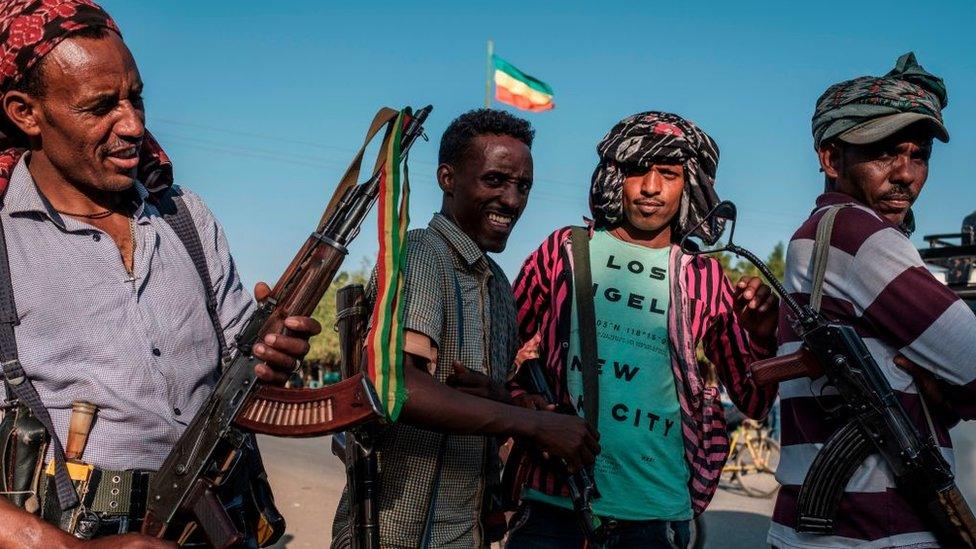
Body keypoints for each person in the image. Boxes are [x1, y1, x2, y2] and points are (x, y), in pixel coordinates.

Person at [0, 1, 321, 546]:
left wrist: (271, 356)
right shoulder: (7, 243)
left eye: (136, 97)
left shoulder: (185, 218)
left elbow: (244, 370)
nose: (133, 125)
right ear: (25, 112)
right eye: (101, 107)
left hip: (220, 520)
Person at [507, 111, 779, 548]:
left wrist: (763, 336)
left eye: (668, 174)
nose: (651, 188)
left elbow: (754, 399)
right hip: (552, 507)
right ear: (616, 178)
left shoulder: (704, 276)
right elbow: (497, 352)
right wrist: (529, 407)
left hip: (656, 515)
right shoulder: (563, 251)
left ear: (688, 185)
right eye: (638, 171)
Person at [331, 109, 600, 548]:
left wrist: (515, 404)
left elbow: (488, 399)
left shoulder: (498, 288)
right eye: (495, 181)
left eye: (523, 186)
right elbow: (398, 386)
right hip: (394, 534)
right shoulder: (421, 254)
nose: (512, 200)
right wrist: (531, 424)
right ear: (447, 178)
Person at [768, 52, 976, 548]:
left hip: (812, 528)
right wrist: (942, 385)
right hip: (874, 529)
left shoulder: (815, 237)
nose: (906, 173)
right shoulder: (858, 235)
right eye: (885, 153)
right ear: (832, 158)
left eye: (919, 154)